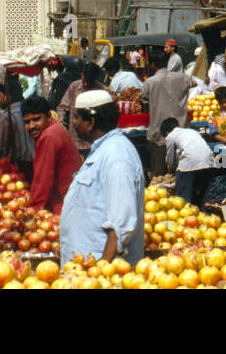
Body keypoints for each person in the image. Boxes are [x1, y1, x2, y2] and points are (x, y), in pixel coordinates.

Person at [59, 91, 145, 266]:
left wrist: (101, 271)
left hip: (99, 273)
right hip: (83, 268)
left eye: (76, 118)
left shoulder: (117, 156)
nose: (73, 123)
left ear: (90, 122)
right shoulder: (104, 149)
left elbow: (121, 225)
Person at [21, 94, 81, 215]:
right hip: (72, 199)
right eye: (27, 122)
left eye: (36, 119)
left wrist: (33, 211)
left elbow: (43, 180)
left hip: (63, 204)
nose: (32, 126)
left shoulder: (49, 137)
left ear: (48, 116)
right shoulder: (55, 128)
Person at [140, 49, 195, 177]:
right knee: (181, 174)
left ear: (152, 64)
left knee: (159, 177)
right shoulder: (183, 77)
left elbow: (143, 100)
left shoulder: (150, 82)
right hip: (181, 134)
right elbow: (196, 83)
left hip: (159, 136)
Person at [160, 118, 216, 205]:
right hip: (208, 161)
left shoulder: (170, 136)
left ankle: (184, 210)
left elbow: (170, 159)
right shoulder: (191, 131)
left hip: (190, 162)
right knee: (204, 195)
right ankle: (205, 213)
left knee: (183, 198)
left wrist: (171, 170)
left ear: (167, 132)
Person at [58, 62, 113, 150]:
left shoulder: (103, 91)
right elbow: (63, 107)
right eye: (84, 80)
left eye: (89, 81)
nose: (86, 84)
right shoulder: (74, 87)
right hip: (75, 140)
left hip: (94, 142)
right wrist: (62, 125)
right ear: (81, 74)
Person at [0, 79, 35, 164]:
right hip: (33, 163)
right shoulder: (30, 112)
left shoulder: (7, 118)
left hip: (16, 167)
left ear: (7, 96)